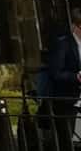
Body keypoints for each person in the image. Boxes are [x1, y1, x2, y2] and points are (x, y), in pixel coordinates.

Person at [44, 9, 81, 151]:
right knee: (70, 143)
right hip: (70, 101)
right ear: (78, 26)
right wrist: (76, 77)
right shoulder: (63, 45)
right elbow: (55, 73)